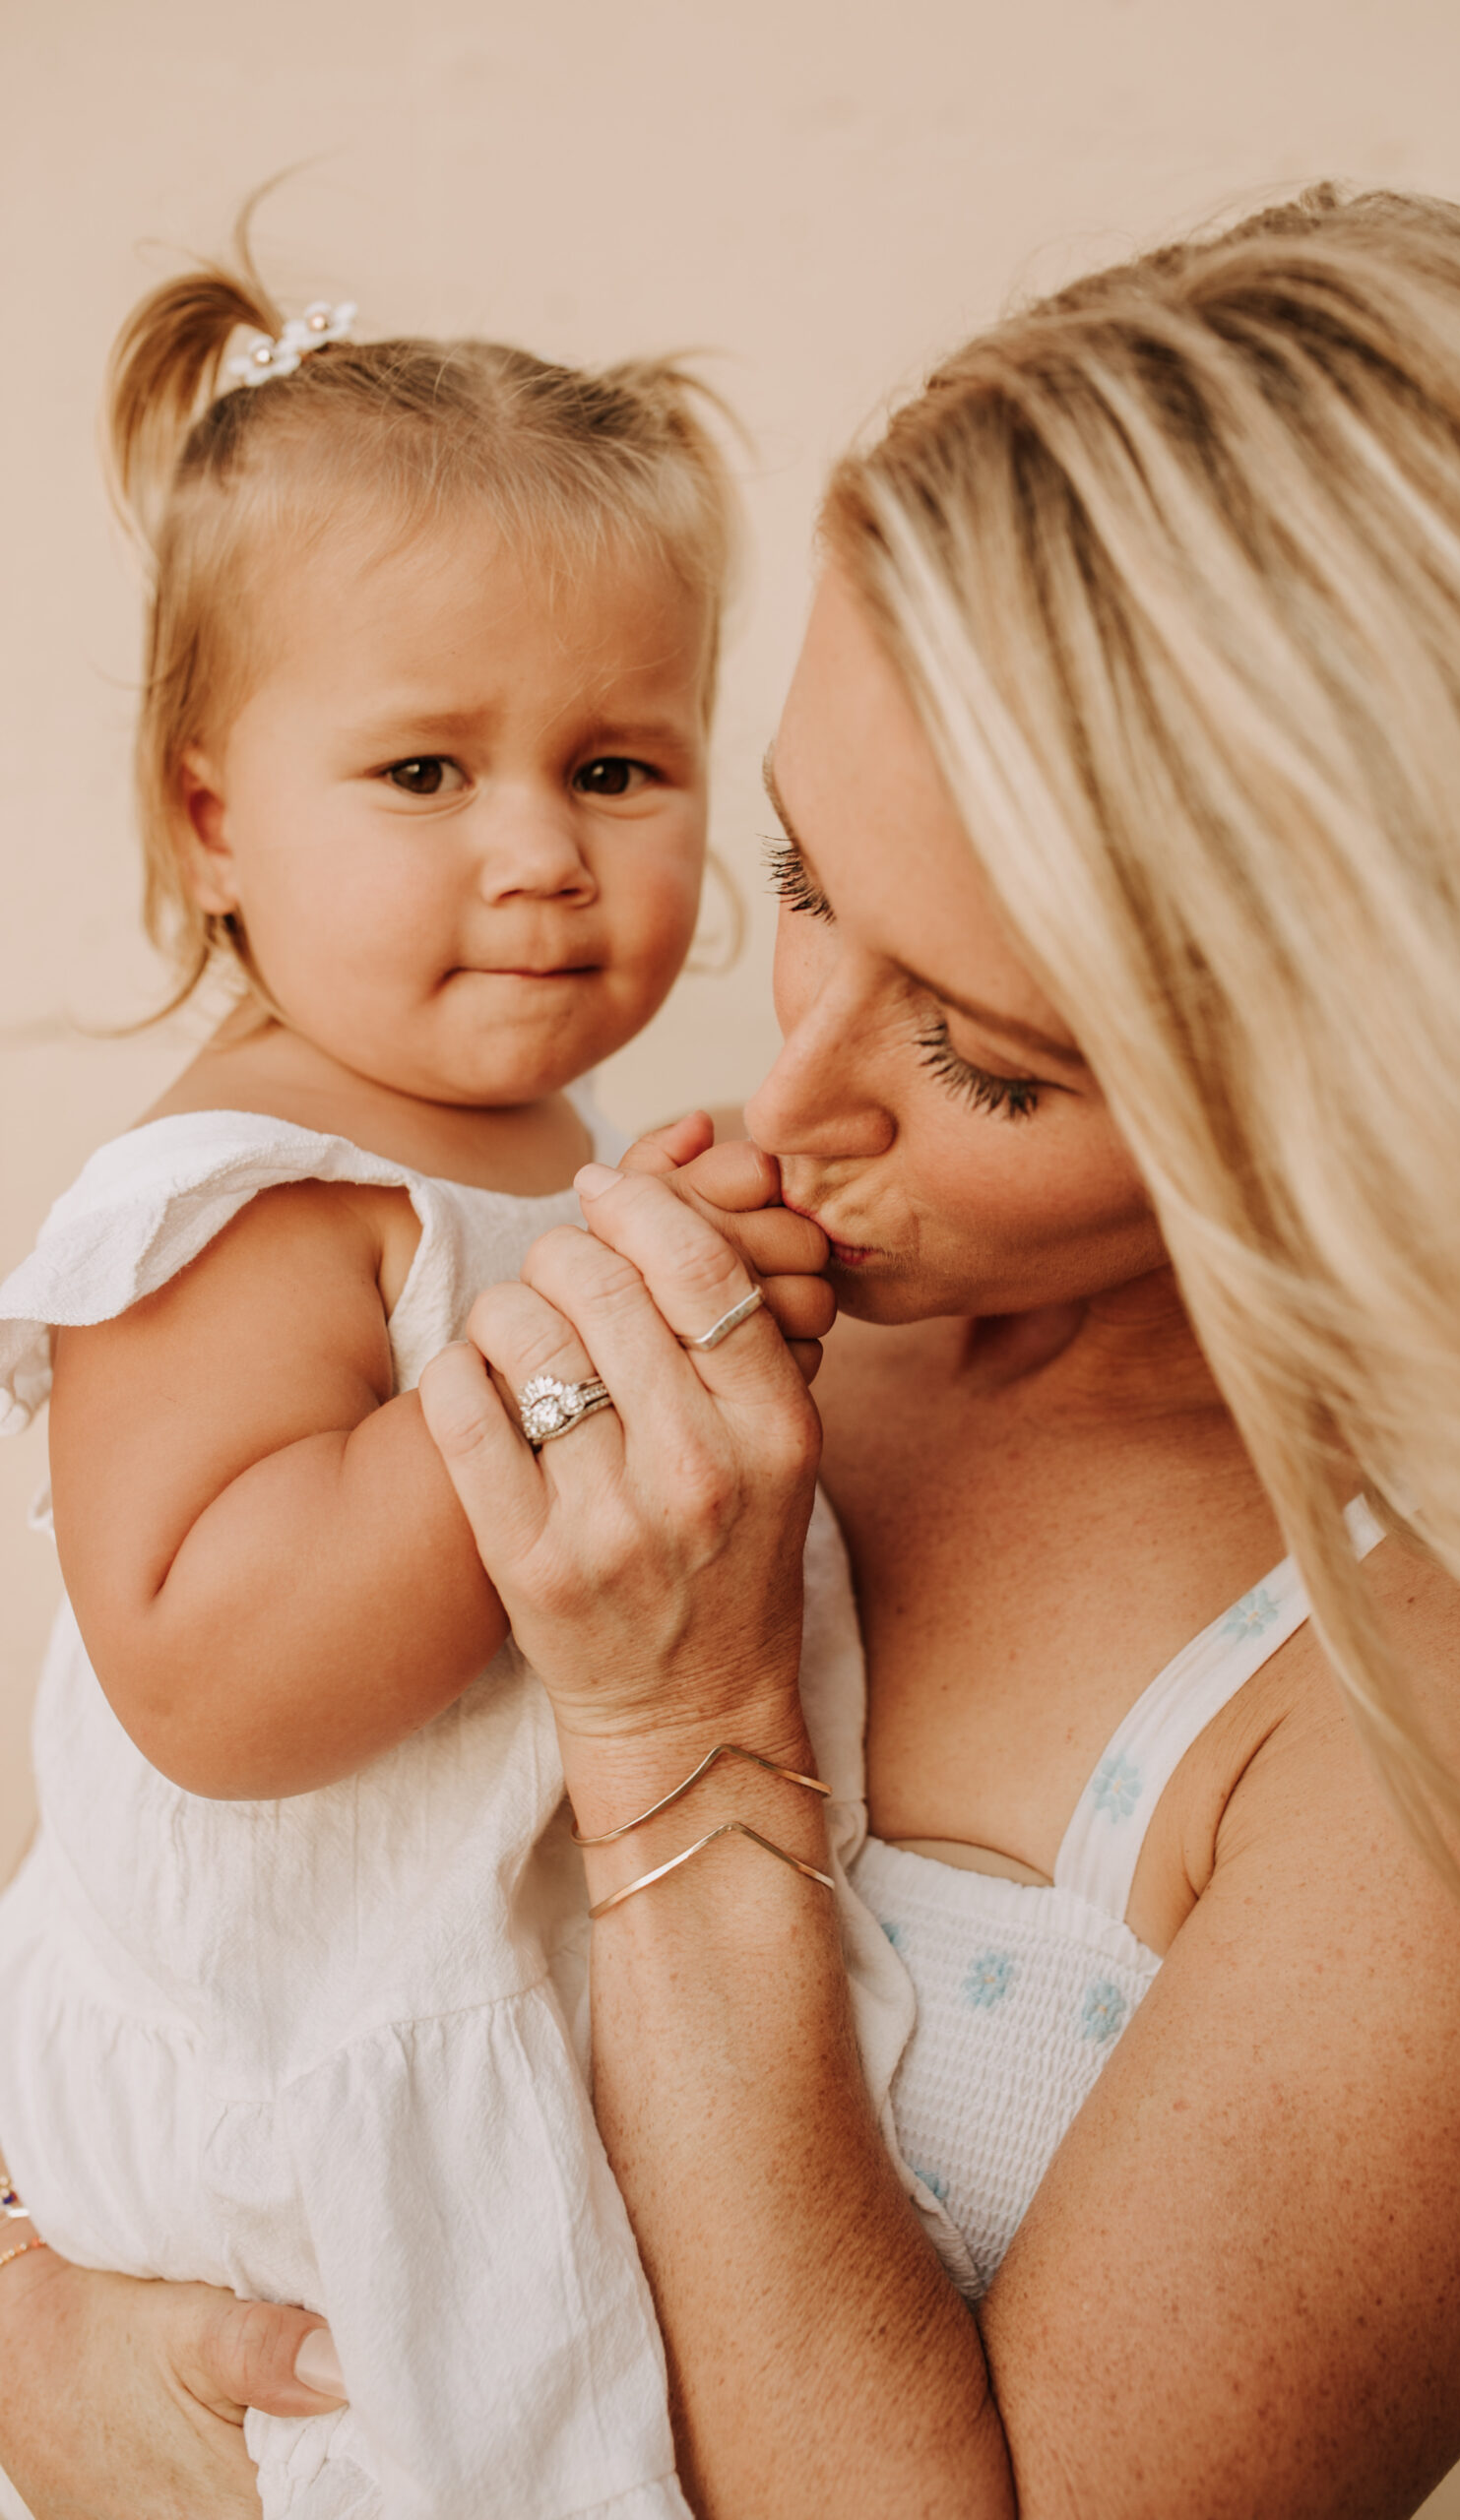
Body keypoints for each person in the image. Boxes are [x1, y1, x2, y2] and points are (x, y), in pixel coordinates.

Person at [1, 181, 1460, 2518]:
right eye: (800, 882)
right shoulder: (609, 1262)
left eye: (980, 1060)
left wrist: (683, 1736)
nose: (781, 1096)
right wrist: (40, 2334)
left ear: (1359, 1088)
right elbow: (228, 1928)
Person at [0, 234, 844, 2520]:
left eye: (614, 763)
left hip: (502, 2056)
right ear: (210, 819)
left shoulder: (534, 1154)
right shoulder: (238, 1182)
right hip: (307, 2126)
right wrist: (585, 1335)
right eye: (421, 768)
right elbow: (203, 1668)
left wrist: (684, 1283)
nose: (539, 855)